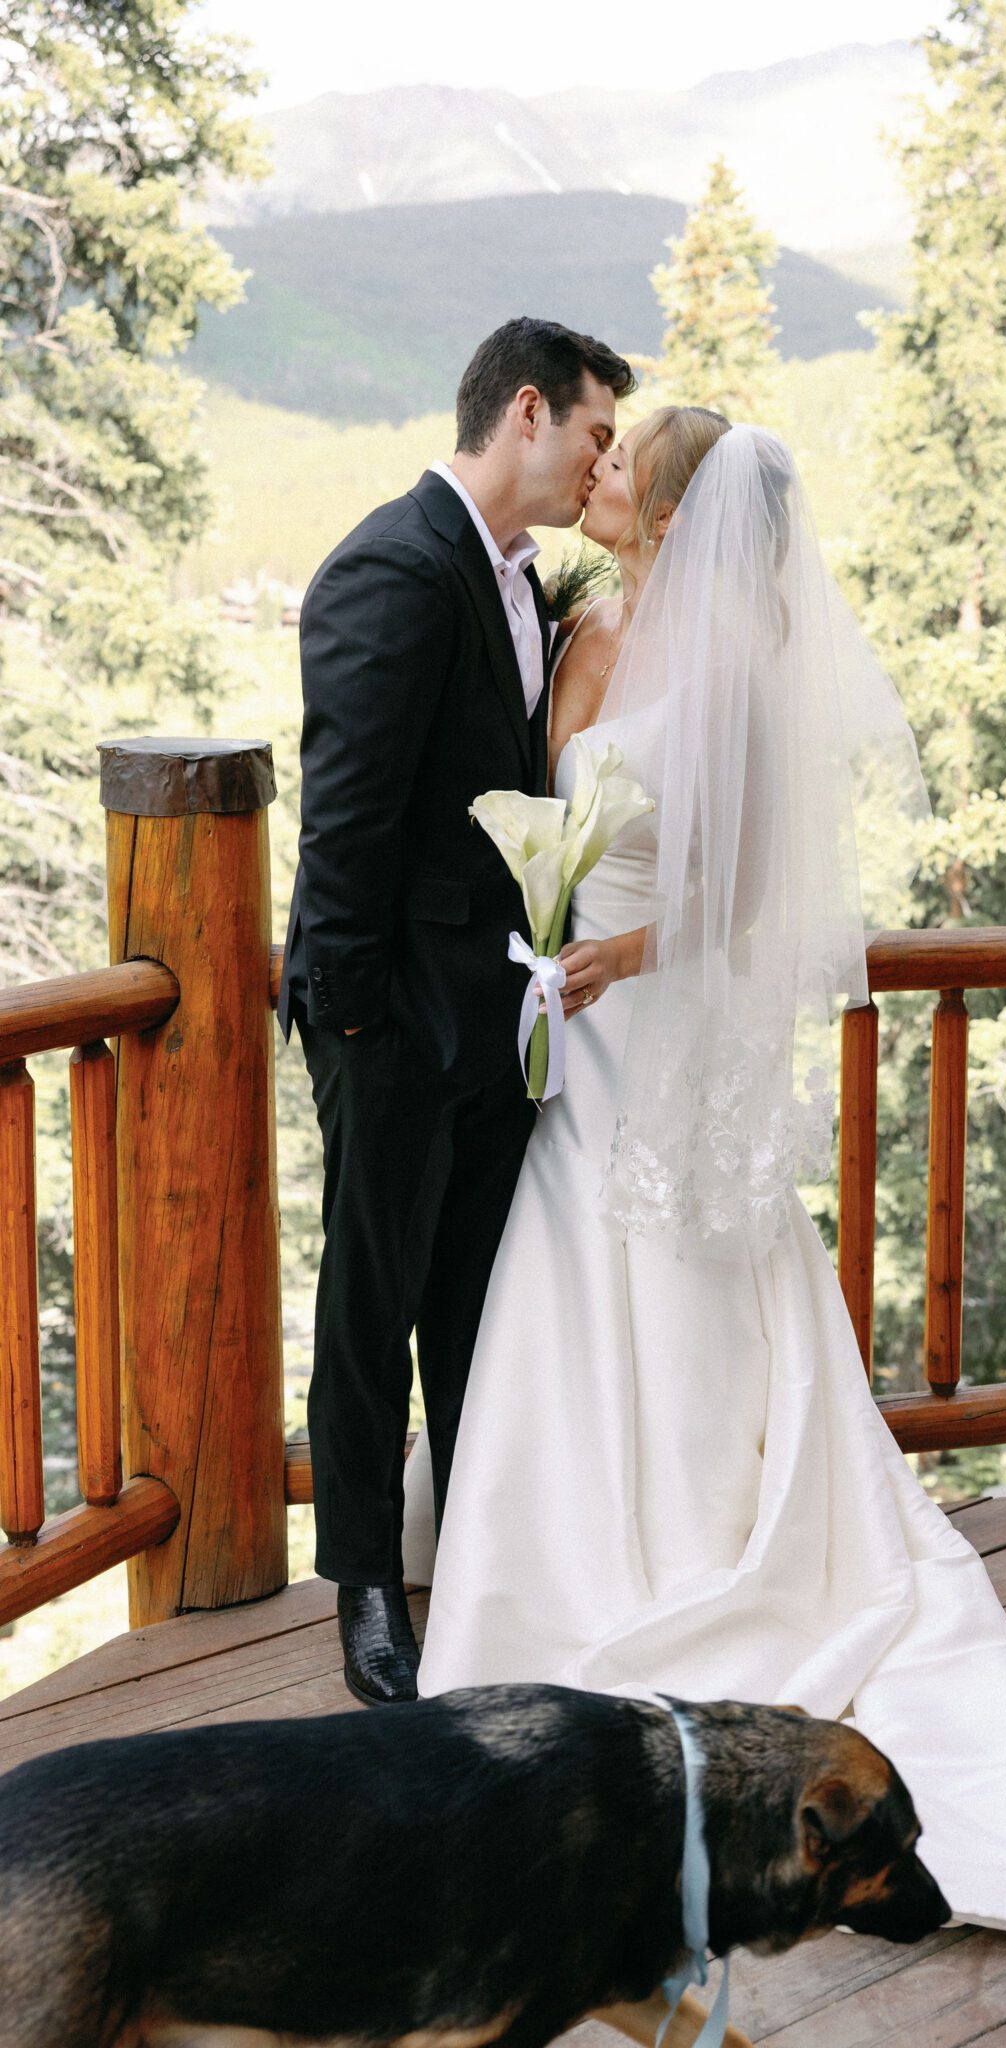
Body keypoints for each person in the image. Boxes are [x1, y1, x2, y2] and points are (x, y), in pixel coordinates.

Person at [401, 412, 1006, 1947]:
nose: (597, 473)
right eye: (596, 452)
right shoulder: (581, 619)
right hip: (573, 1023)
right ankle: (548, 1553)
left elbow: (749, 891)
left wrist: (625, 949)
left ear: (678, 513)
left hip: (660, 1020)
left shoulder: (736, 669)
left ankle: (698, 1554)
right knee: (563, 1288)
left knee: (690, 1290)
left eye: (623, 464)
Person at [276, 317, 635, 1706]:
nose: (600, 461)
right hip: (394, 1022)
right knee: (370, 1302)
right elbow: (345, 819)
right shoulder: (392, 562)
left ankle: (472, 1561)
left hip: (497, 1013)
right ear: (529, 413)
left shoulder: (520, 579)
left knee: (468, 1303)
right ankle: (366, 1592)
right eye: (596, 434)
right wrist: (358, 1024)